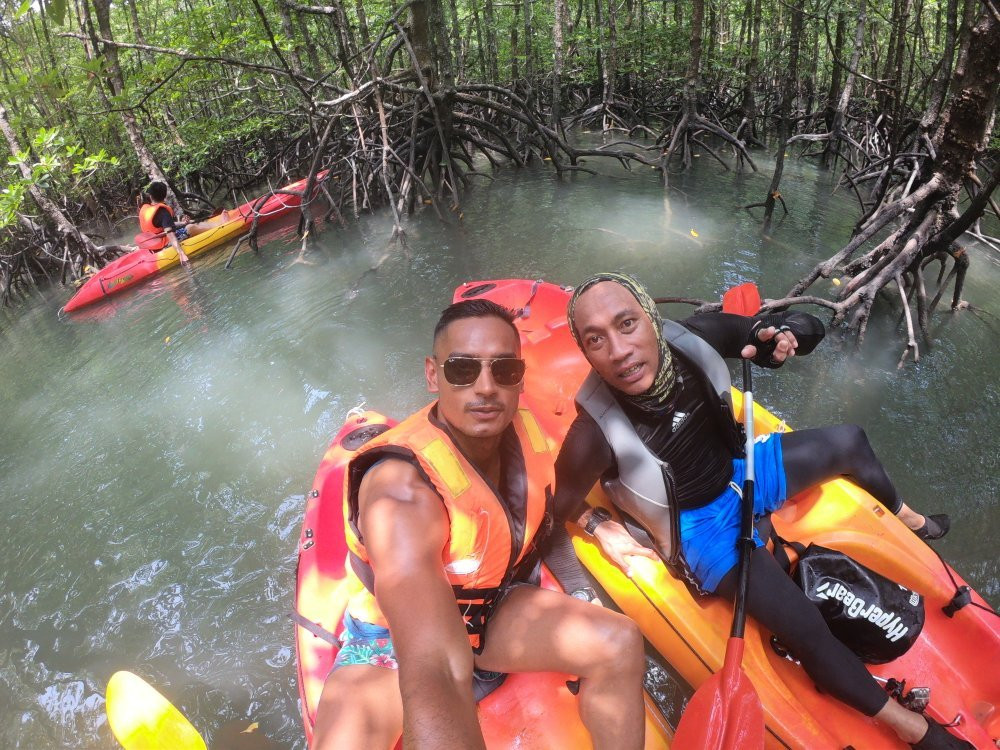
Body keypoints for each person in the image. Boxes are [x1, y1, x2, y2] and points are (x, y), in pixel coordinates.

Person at [552, 272, 970, 750]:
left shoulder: (693, 337)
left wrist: (788, 333)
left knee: (851, 440)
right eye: (596, 340)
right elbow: (557, 506)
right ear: (586, 353)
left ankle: (912, 521)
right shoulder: (591, 435)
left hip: (742, 470)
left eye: (627, 324)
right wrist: (598, 525)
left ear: (650, 318)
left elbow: (790, 331)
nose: (619, 350)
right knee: (806, 627)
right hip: (702, 528)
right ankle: (915, 730)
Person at [311, 299, 647, 750]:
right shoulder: (401, 492)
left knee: (620, 642)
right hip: (394, 639)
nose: (486, 387)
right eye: (463, 369)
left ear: (520, 378)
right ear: (433, 375)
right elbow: (436, 666)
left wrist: (595, 522)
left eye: (504, 370)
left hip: (489, 608)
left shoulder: (523, 430)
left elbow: (537, 500)